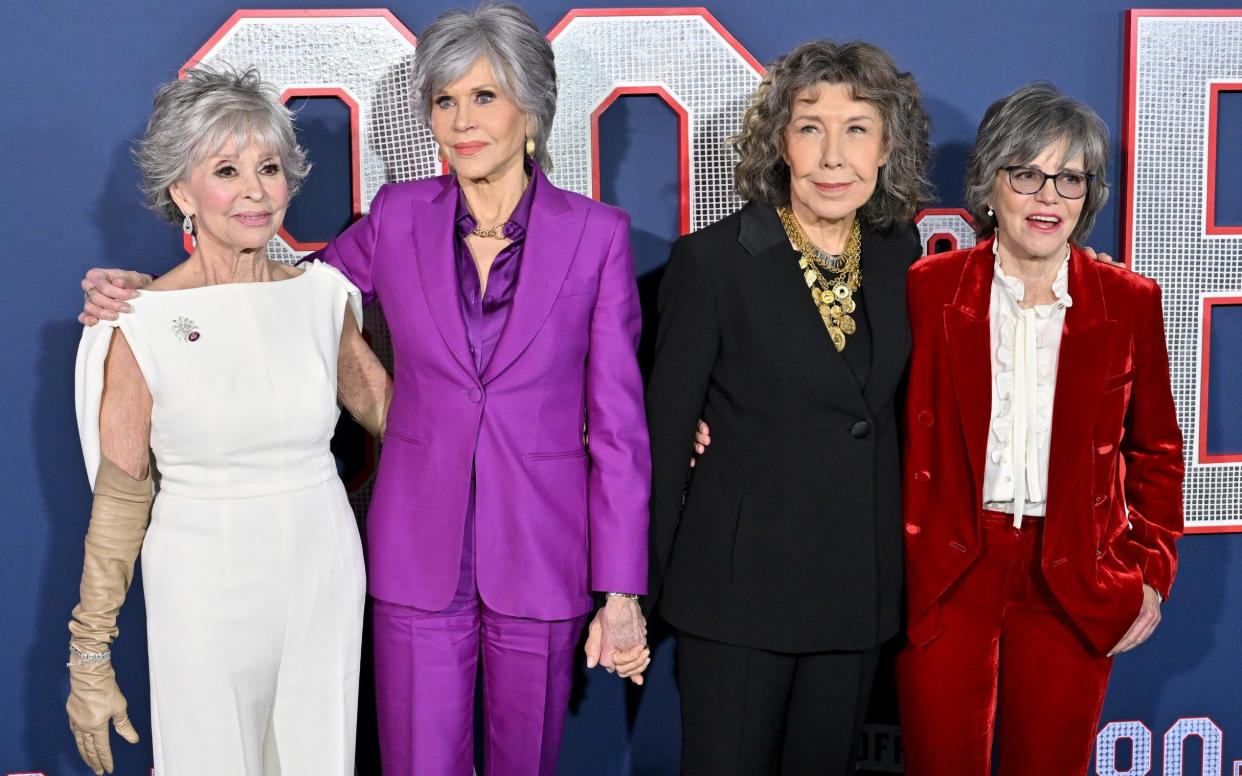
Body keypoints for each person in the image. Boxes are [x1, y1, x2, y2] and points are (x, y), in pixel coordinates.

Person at [79, 5, 652, 774]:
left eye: (484, 97)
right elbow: (274, 296)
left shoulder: (597, 235)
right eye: (444, 101)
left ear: (531, 110)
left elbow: (619, 424)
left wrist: (620, 590)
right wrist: (151, 296)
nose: (461, 121)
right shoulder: (399, 217)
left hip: (542, 550)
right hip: (416, 554)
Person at [68, 66, 391, 775]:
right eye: (227, 169)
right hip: (200, 581)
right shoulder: (139, 322)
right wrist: (89, 657)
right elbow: (121, 502)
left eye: (269, 167)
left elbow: (400, 421)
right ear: (181, 192)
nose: (255, 190)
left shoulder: (322, 295)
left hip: (324, 573)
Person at [645, 41, 931, 775]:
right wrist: (628, 599)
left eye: (857, 128)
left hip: (854, 596)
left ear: (887, 145)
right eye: (810, 128)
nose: (834, 155)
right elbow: (662, 438)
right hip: (737, 600)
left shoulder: (903, 254)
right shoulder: (709, 263)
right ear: (780, 142)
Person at [895, 82, 1184, 775]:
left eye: (1069, 178)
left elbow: (1158, 450)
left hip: (1072, 574)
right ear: (991, 186)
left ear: (1089, 195)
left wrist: (1149, 573)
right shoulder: (929, 288)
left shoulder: (1128, 300)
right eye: (1027, 174)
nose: (1048, 196)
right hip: (951, 569)